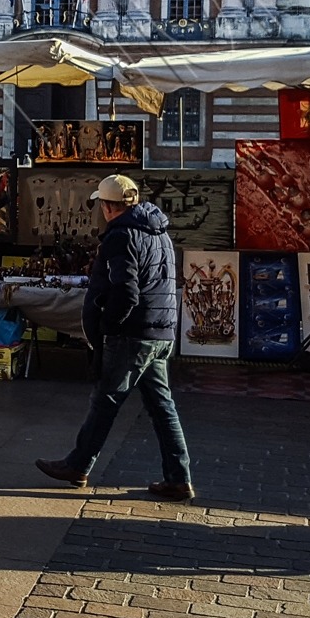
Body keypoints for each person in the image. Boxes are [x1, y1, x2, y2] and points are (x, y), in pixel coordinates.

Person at [35, 174, 192, 502]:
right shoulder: (159, 232)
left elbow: (126, 289)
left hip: (132, 333)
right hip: (161, 330)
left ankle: (78, 465)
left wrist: (108, 326)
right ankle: (178, 478)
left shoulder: (120, 236)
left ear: (107, 207)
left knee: (106, 399)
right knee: (162, 406)